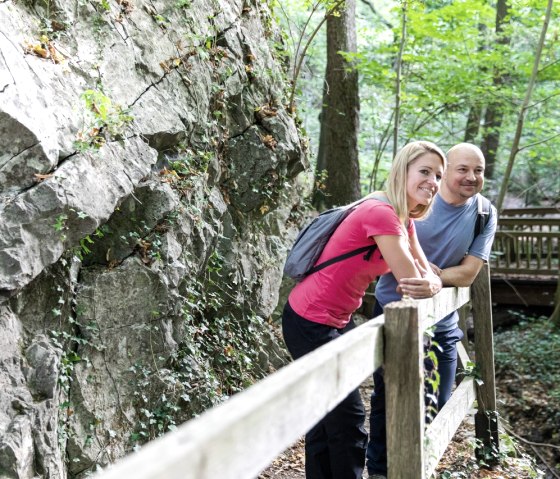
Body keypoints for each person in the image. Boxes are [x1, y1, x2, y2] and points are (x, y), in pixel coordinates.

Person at [281, 140, 446, 479]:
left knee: (327, 417)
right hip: (309, 319)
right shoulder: (381, 214)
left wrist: (434, 283)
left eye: (438, 176)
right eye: (425, 171)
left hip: (337, 319)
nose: (433, 182)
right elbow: (411, 280)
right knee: (349, 421)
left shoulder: (404, 221)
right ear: (403, 171)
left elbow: (429, 274)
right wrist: (430, 282)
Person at [365, 142, 498, 479]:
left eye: (478, 170)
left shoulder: (484, 212)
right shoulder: (417, 199)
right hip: (392, 309)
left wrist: (433, 278)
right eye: (463, 169)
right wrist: (421, 277)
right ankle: (381, 470)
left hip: (442, 323)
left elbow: (469, 273)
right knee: (388, 398)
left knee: (435, 401)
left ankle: (417, 467)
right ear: (445, 171)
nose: (471, 177)